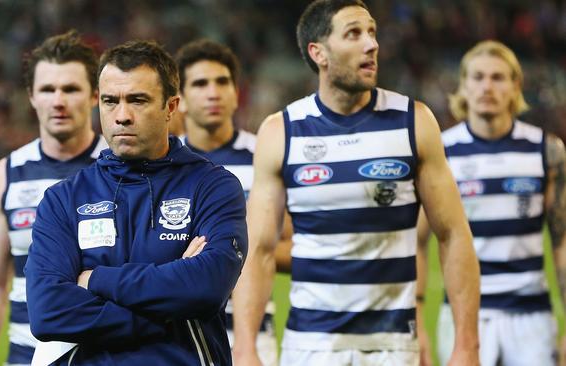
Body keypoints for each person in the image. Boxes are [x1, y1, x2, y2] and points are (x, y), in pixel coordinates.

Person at [232, 1, 481, 365]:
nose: (371, 44)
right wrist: (244, 347)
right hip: (310, 346)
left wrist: (466, 345)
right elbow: (259, 250)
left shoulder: (414, 122)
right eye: (354, 34)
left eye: (372, 32)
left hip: (393, 346)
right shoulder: (281, 132)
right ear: (319, 53)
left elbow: (453, 234)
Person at [24, 40, 248, 365]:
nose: (122, 116)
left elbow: (206, 288)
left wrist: (96, 280)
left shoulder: (212, 186)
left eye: (138, 100)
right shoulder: (64, 199)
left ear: (170, 107)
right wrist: (165, 307)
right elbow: (48, 311)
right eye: (110, 101)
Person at [417, 40, 566, 366]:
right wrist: (418, 325)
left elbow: (562, 241)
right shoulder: (441, 151)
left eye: (498, 77)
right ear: (463, 86)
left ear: (516, 86)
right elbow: (417, 242)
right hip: (464, 315)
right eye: (478, 76)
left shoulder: (546, 150)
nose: (487, 86)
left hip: (531, 316)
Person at [0, 30, 107, 366]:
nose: (58, 100)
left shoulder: (121, 167)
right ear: (31, 96)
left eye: (71, 89)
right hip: (26, 358)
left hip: (104, 356)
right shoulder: (7, 174)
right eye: (48, 89)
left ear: (94, 96)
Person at [175, 39, 293, 366]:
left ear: (236, 92)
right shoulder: (163, 163)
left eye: (222, 82)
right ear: (179, 99)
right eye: (200, 84)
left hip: (252, 334)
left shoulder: (264, 155)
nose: (213, 92)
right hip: (176, 333)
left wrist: (236, 250)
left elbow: (293, 246)